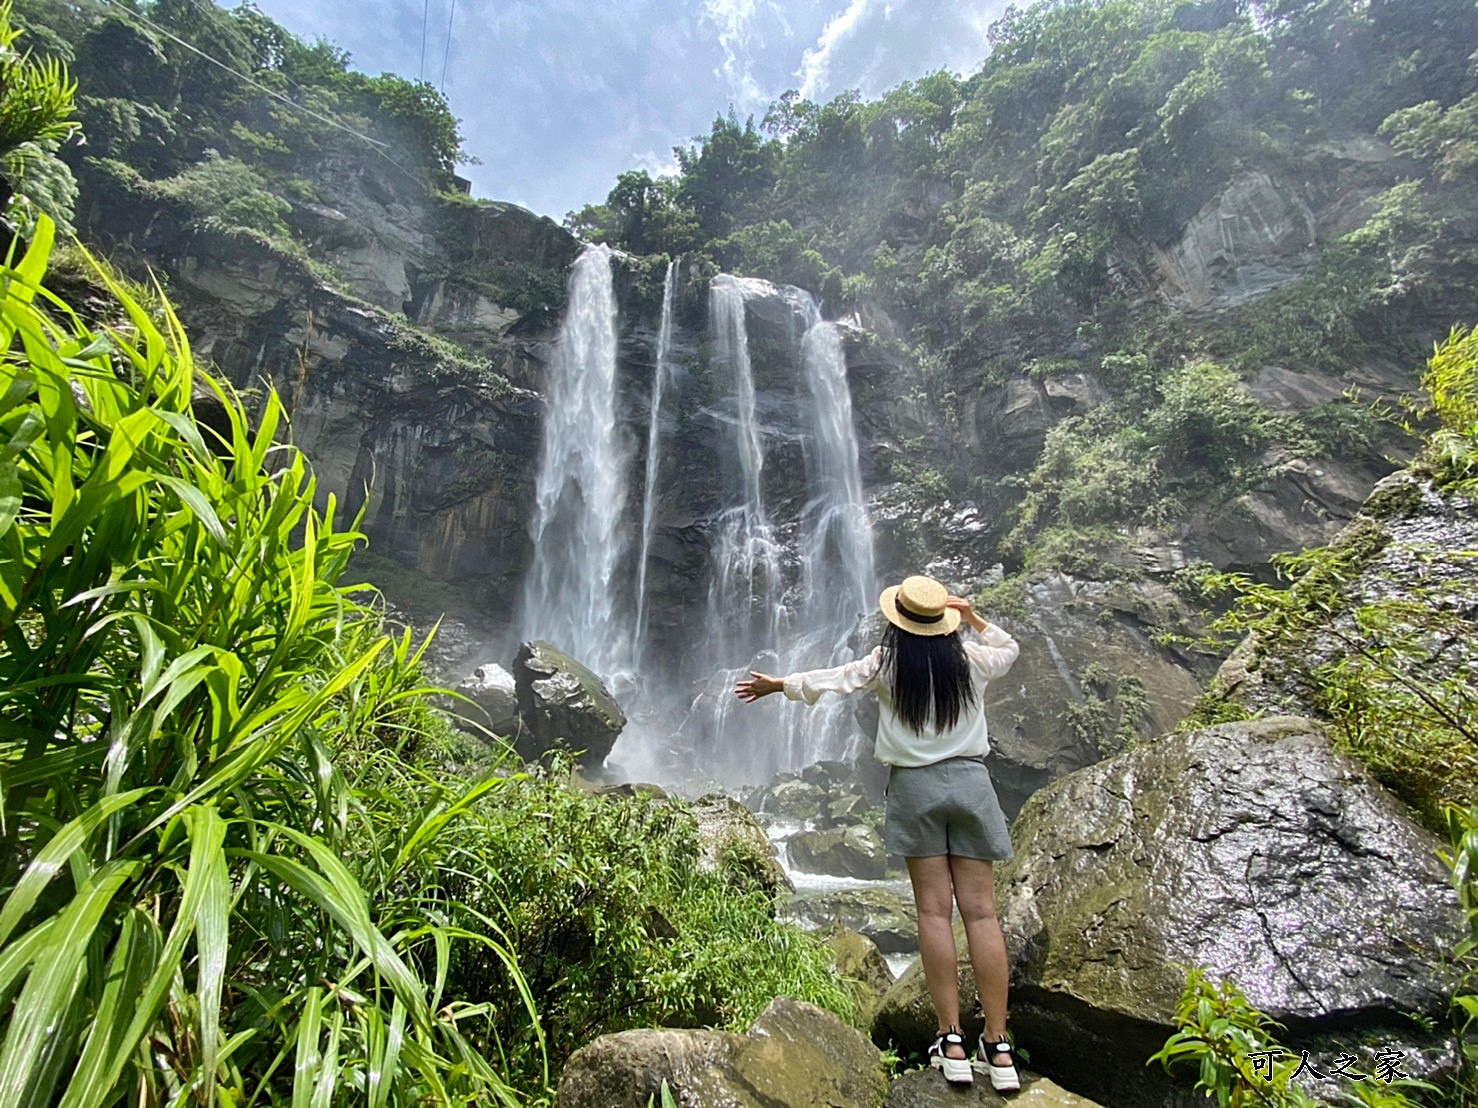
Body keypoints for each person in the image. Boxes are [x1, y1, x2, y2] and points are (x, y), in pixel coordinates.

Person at [735, 574, 1021, 1091]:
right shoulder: (973, 662)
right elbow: (1008, 648)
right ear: (944, 622)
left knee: (934, 913)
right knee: (982, 913)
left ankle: (951, 1041)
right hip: (973, 786)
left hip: (915, 790)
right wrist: (975, 617)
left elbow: (835, 678)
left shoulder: (887, 666)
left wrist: (777, 685)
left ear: (900, 623)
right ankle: (999, 1049)